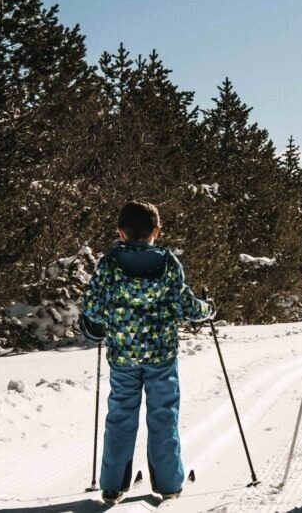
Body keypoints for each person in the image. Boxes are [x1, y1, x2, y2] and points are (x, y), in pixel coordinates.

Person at [79, 200, 215, 503]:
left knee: (120, 416)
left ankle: (113, 484)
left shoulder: (109, 263)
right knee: (163, 415)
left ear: (120, 230)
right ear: (157, 230)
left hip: (123, 356)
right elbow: (185, 306)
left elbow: (92, 309)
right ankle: (168, 484)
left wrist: (103, 320)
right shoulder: (168, 263)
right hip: (161, 356)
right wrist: (209, 309)